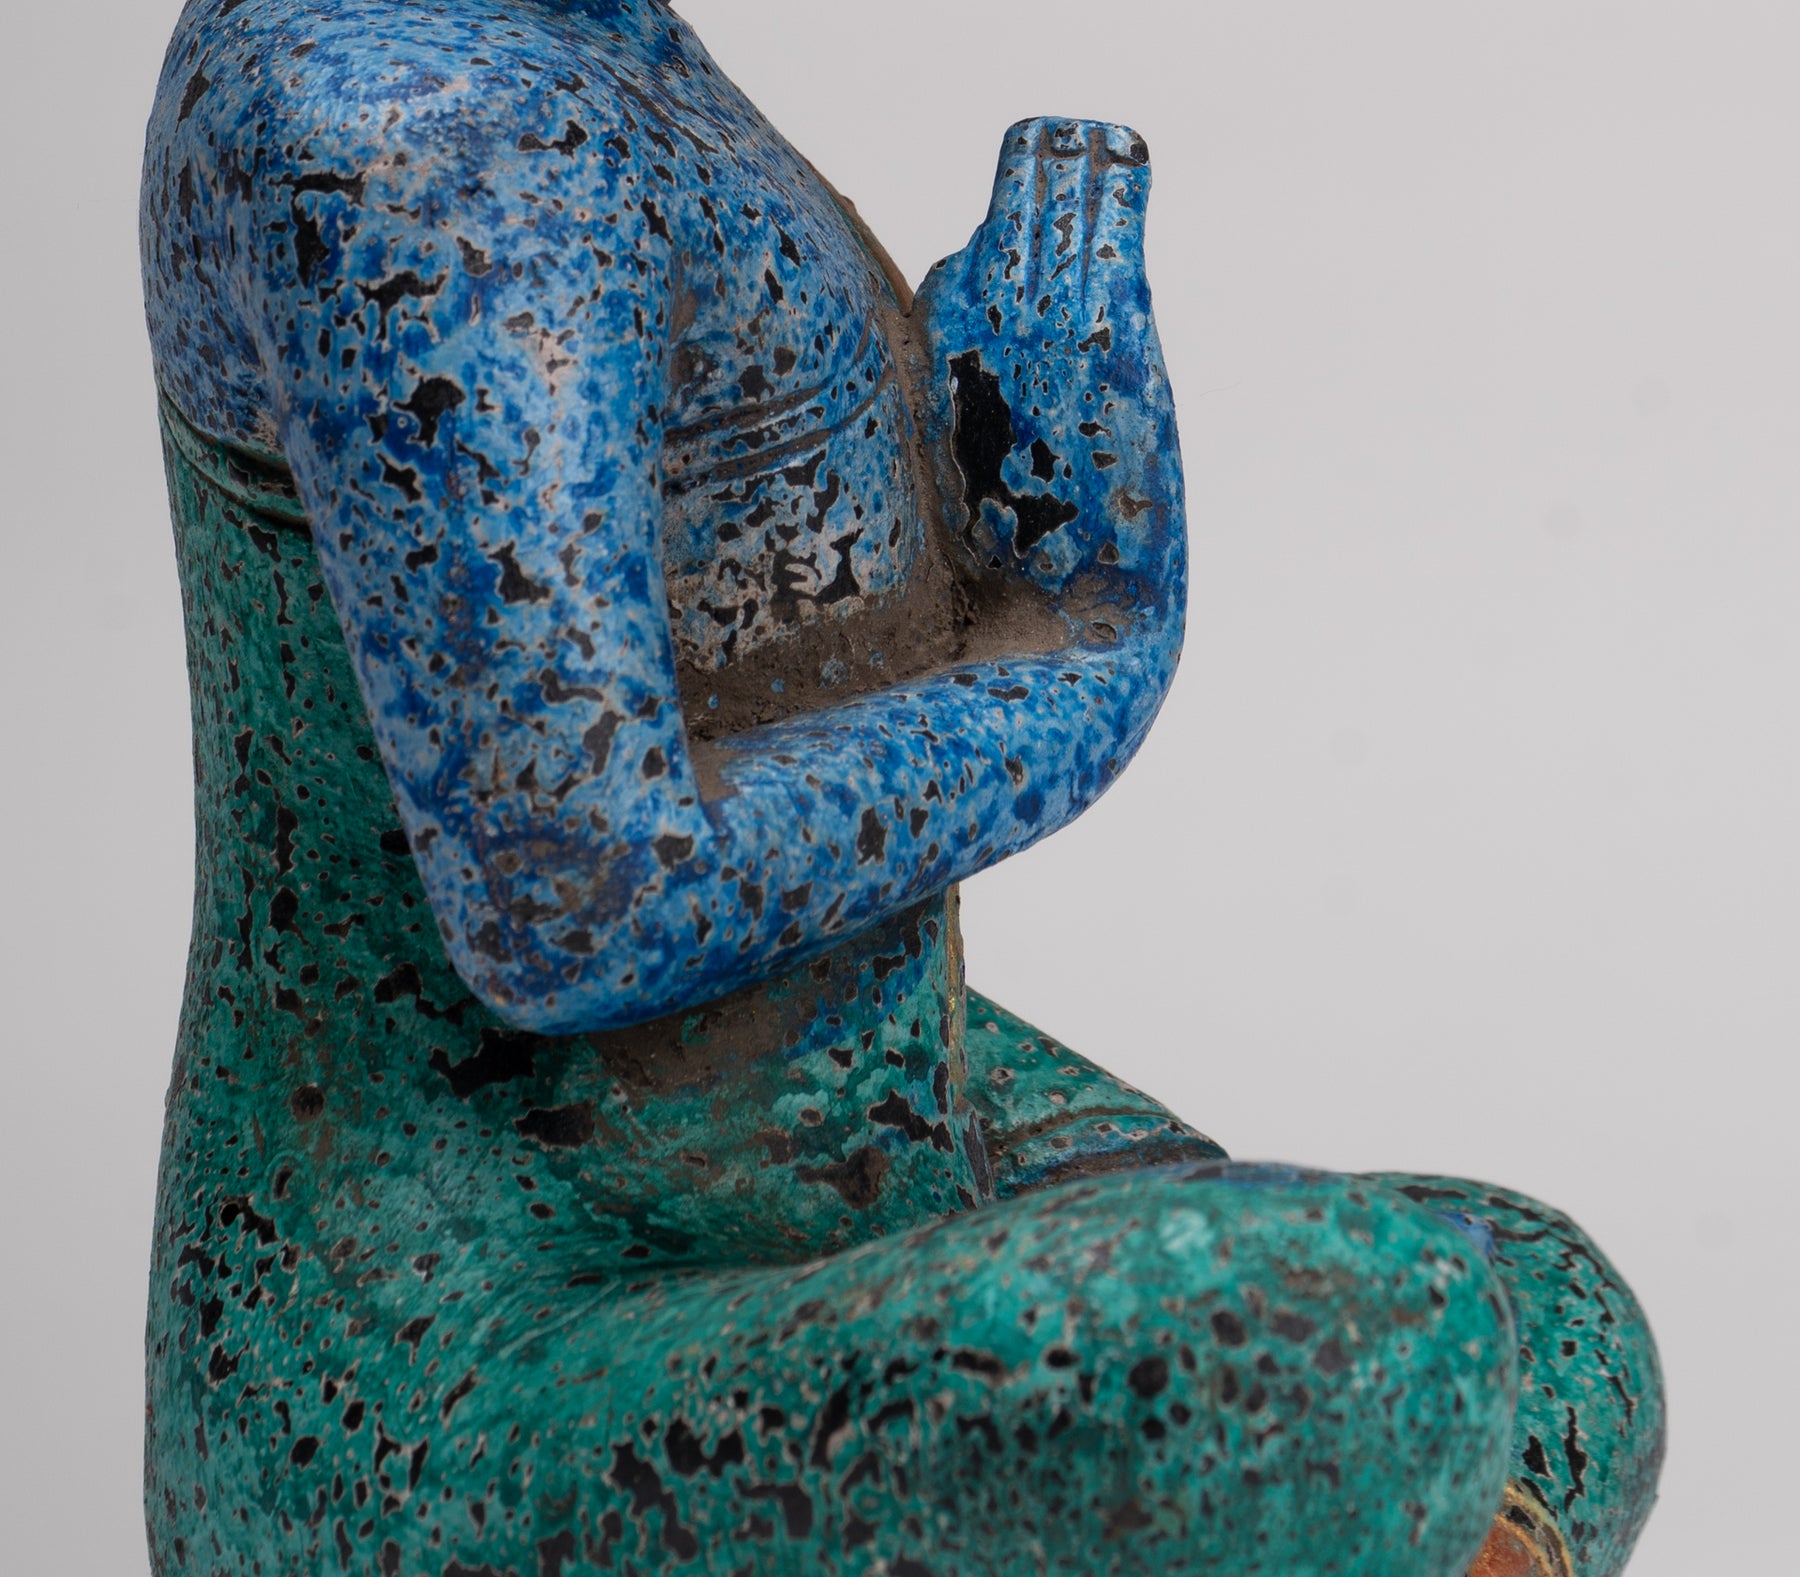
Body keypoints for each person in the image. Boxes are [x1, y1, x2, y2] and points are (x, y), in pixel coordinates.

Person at [140, 2, 1663, 1572]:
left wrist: (984, 470)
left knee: (1540, 1311)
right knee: (1361, 1344)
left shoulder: (591, 45)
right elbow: (579, 896)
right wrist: (1090, 654)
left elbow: (747, 619)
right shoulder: (418, 127)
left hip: (873, 1112)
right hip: (490, 1318)